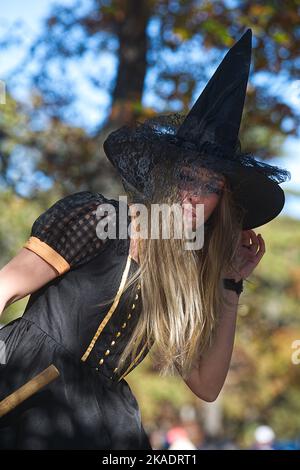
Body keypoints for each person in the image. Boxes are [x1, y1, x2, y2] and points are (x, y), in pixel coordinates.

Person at [0, 28, 290, 449]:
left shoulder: (189, 272)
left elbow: (206, 386)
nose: (194, 194)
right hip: (22, 391)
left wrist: (230, 284)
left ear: (221, 203)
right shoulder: (99, 219)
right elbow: (5, 288)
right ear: (166, 179)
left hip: (98, 423)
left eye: (210, 186)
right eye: (186, 176)